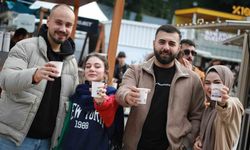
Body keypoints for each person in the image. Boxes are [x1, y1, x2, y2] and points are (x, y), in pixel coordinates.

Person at [0, 4, 79, 150]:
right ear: (48, 22)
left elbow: (73, 99)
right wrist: (33, 75)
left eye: (68, 25)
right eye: (58, 22)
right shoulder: (25, 47)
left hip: (47, 143)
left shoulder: (71, 62)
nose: (63, 29)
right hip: (12, 139)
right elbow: (5, 80)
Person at [116, 24, 205, 150]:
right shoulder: (136, 71)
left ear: (179, 48)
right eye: (162, 42)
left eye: (172, 44)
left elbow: (197, 115)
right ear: (154, 43)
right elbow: (122, 90)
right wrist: (127, 96)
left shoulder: (192, 79)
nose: (166, 47)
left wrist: (186, 144)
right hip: (135, 146)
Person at [55, 53, 123, 150]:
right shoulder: (76, 94)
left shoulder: (112, 96)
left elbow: (116, 130)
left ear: (105, 72)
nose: (91, 69)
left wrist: (103, 103)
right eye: (88, 66)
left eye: (97, 66)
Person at [193, 65, 244, 150]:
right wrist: (199, 141)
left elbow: (226, 110)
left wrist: (222, 103)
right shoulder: (208, 108)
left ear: (226, 82)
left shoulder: (234, 103)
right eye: (207, 83)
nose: (211, 87)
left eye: (217, 83)